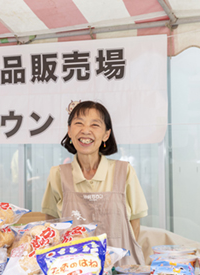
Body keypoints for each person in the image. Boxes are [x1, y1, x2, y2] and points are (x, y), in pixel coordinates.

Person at [41, 100, 148, 265]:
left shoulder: (124, 171)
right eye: (78, 123)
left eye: (95, 125)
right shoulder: (58, 174)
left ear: (106, 134)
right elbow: (51, 222)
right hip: (74, 271)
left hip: (120, 271)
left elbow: (135, 221)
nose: (85, 131)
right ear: (69, 131)